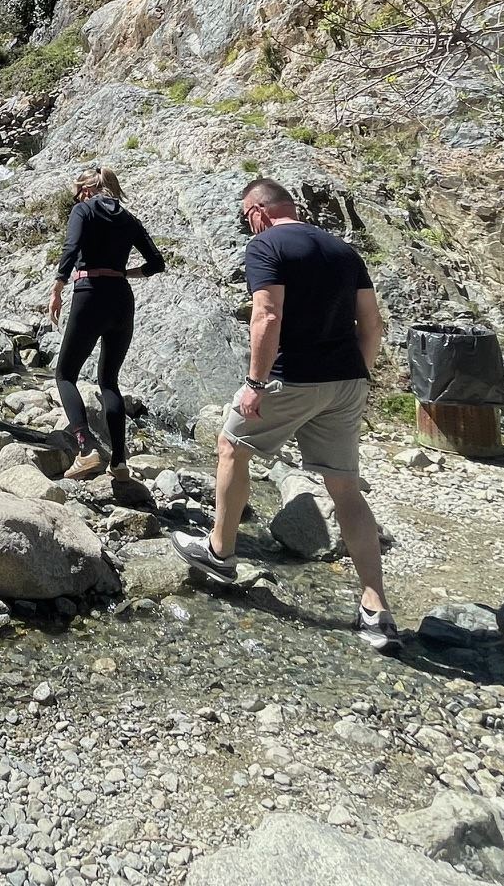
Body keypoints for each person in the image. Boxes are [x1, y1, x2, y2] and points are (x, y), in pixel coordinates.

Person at [170, 178, 399, 653]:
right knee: (345, 489)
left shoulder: (266, 244)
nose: (246, 223)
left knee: (232, 447)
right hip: (346, 380)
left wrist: (254, 384)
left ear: (258, 211)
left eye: (244, 216)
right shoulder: (342, 250)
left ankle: (220, 551)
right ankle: (375, 608)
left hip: (290, 378)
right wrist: (358, 375)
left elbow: (267, 316)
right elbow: (372, 324)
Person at [46, 167, 166, 481]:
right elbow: (157, 263)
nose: (76, 197)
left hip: (89, 294)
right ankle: (121, 463)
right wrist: (125, 274)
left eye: (77, 192)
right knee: (109, 381)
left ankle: (85, 450)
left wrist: (58, 288)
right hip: (122, 299)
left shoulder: (82, 210)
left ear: (87, 189)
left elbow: (70, 249)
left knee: (65, 374)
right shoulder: (128, 219)